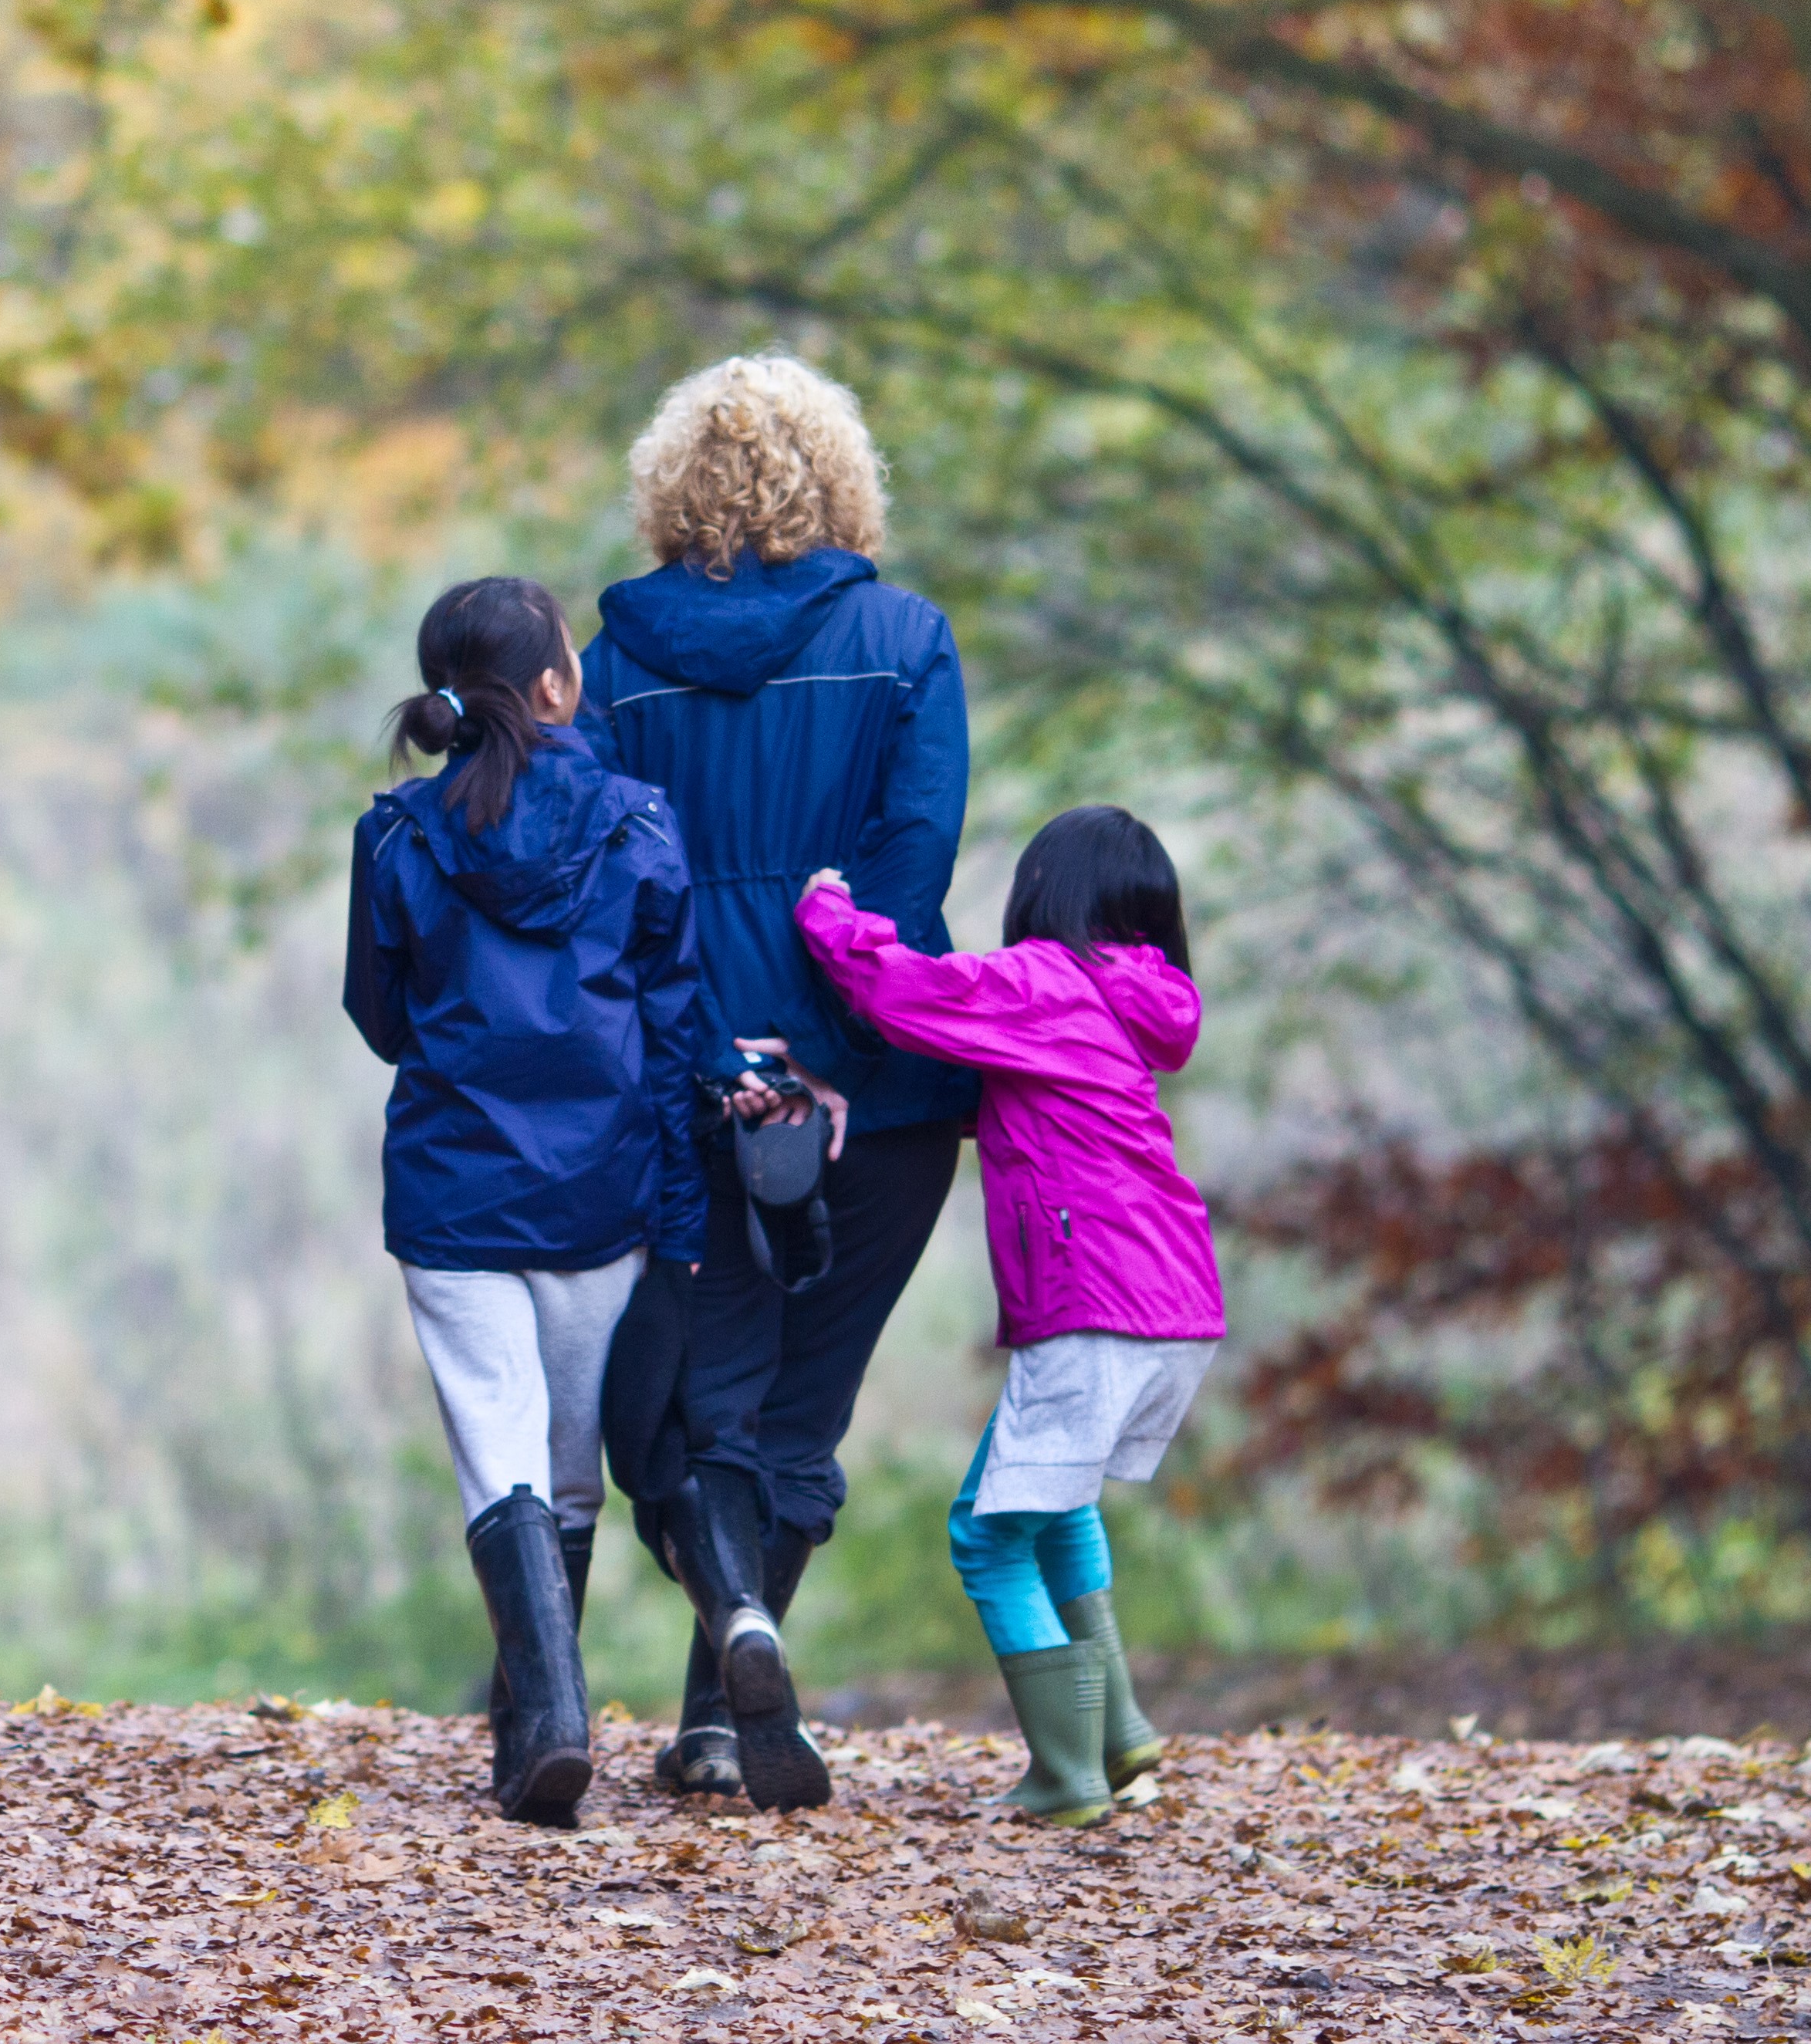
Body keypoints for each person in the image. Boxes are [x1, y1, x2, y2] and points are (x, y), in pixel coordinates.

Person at [581, 354, 975, 1813]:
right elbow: (914, 854)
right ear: (840, 474)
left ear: (668, 485)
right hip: (883, 1075)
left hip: (689, 1078)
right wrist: (831, 1035)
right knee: (808, 1400)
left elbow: (607, 876)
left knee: (711, 1394)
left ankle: (721, 1687)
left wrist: (726, 1052)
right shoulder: (906, 637)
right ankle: (722, 1713)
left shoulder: (608, 666)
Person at [343, 575, 711, 1825]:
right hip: (597, 1198)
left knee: (494, 1453)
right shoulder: (639, 824)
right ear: (557, 684)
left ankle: (543, 1725)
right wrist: (681, 1210)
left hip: (454, 1190)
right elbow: (676, 1030)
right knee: (566, 1480)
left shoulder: (395, 837)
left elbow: (380, 1017)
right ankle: (541, 1726)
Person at [792, 808, 1217, 1829]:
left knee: (985, 1537)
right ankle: (1118, 1737)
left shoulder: (1043, 983)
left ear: (1047, 894)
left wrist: (826, 908)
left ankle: (1066, 1778)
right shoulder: (1133, 1003)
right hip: (1175, 1301)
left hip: (1094, 1303)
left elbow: (906, 991)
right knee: (1059, 1510)